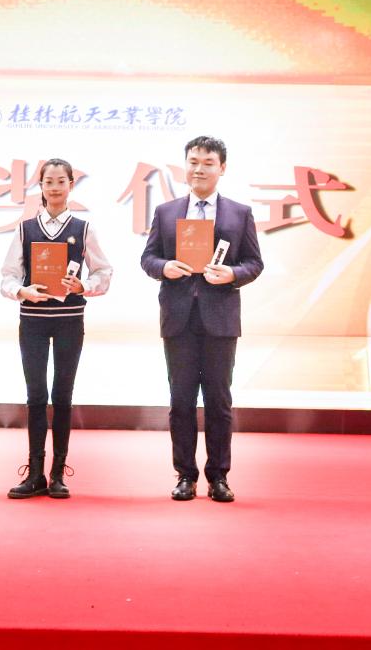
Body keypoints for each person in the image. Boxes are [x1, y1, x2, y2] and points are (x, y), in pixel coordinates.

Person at [140, 136, 263, 502]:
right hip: (178, 319)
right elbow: (148, 258)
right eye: (193, 161)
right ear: (185, 166)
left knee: (218, 402)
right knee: (180, 401)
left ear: (222, 168)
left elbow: (254, 263)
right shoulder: (167, 212)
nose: (199, 169)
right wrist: (165, 267)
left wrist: (233, 274)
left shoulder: (239, 213)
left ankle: (218, 476)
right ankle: (185, 475)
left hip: (220, 320)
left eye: (208, 162)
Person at [0, 158, 113, 499]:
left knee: (63, 396)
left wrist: (83, 286)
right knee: (36, 396)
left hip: (69, 321)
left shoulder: (83, 228)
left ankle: (58, 474)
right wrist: (22, 291)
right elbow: (7, 276)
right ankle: (35, 472)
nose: (54, 187)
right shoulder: (25, 229)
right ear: (41, 186)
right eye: (48, 181)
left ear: (71, 185)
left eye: (61, 181)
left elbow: (104, 272)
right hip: (32, 321)